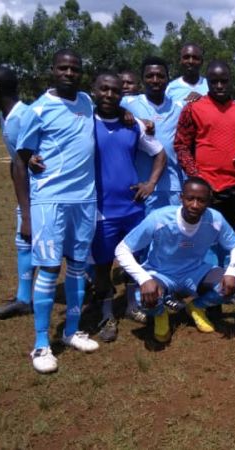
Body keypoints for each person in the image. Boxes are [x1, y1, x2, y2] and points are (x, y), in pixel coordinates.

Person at [15, 49, 100, 373]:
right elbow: (21, 161)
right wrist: (26, 213)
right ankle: (40, 345)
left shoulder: (87, 102)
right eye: (62, 67)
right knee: (50, 270)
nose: (69, 72)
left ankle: (71, 331)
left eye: (74, 68)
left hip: (85, 200)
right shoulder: (37, 110)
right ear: (52, 70)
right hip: (50, 200)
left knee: (78, 267)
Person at [114, 178, 235, 341]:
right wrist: (144, 278)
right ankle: (160, 314)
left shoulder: (215, 219)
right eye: (190, 198)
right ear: (181, 198)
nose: (195, 205)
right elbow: (122, 249)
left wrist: (232, 271)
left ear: (209, 202)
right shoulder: (159, 218)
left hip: (195, 272)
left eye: (201, 200)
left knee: (234, 285)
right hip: (161, 273)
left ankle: (196, 306)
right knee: (142, 298)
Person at [90, 71, 166, 342]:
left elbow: (159, 153)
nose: (109, 95)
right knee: (102, 265)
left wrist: (151, 184)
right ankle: (107, 313)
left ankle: (133, 306)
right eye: (104, 89)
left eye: (115, 91)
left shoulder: (132, 125)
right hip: (100, 210)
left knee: (134, 260)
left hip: (132, 207)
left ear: (122, 95)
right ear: (94, 91)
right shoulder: (85, 122)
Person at [174, 60, 235, 274]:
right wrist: (197, 178)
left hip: (233, 184)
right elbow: (181, 145)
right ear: (207, 82)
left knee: (226, 233)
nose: (219, 86)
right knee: (205, 237)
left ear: (231, 82)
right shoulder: (193, 109)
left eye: (224, 81)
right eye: (214, 81)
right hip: (206, 187)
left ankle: (222, 280)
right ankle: (207, 281)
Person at [0, 66, 33, 319]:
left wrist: (27, 212)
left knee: (69, 245)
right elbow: (17, 162)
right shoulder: (7, 116)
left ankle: (98, 289)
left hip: (41, 194)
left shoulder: (22, 118)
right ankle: (23, 298)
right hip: (26, 191)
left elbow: (30, 162)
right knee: (24, 242)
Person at [122, 56, 185, 214]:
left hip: (174, 186)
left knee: (172, 234)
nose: (155, 80)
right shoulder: (127, 103)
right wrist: (134, 118)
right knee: (146, 235)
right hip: (141, 186)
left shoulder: (180, 106)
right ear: (142, 80)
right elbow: (100, 111)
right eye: (150, 76)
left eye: (160, 76)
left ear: (168, 79)